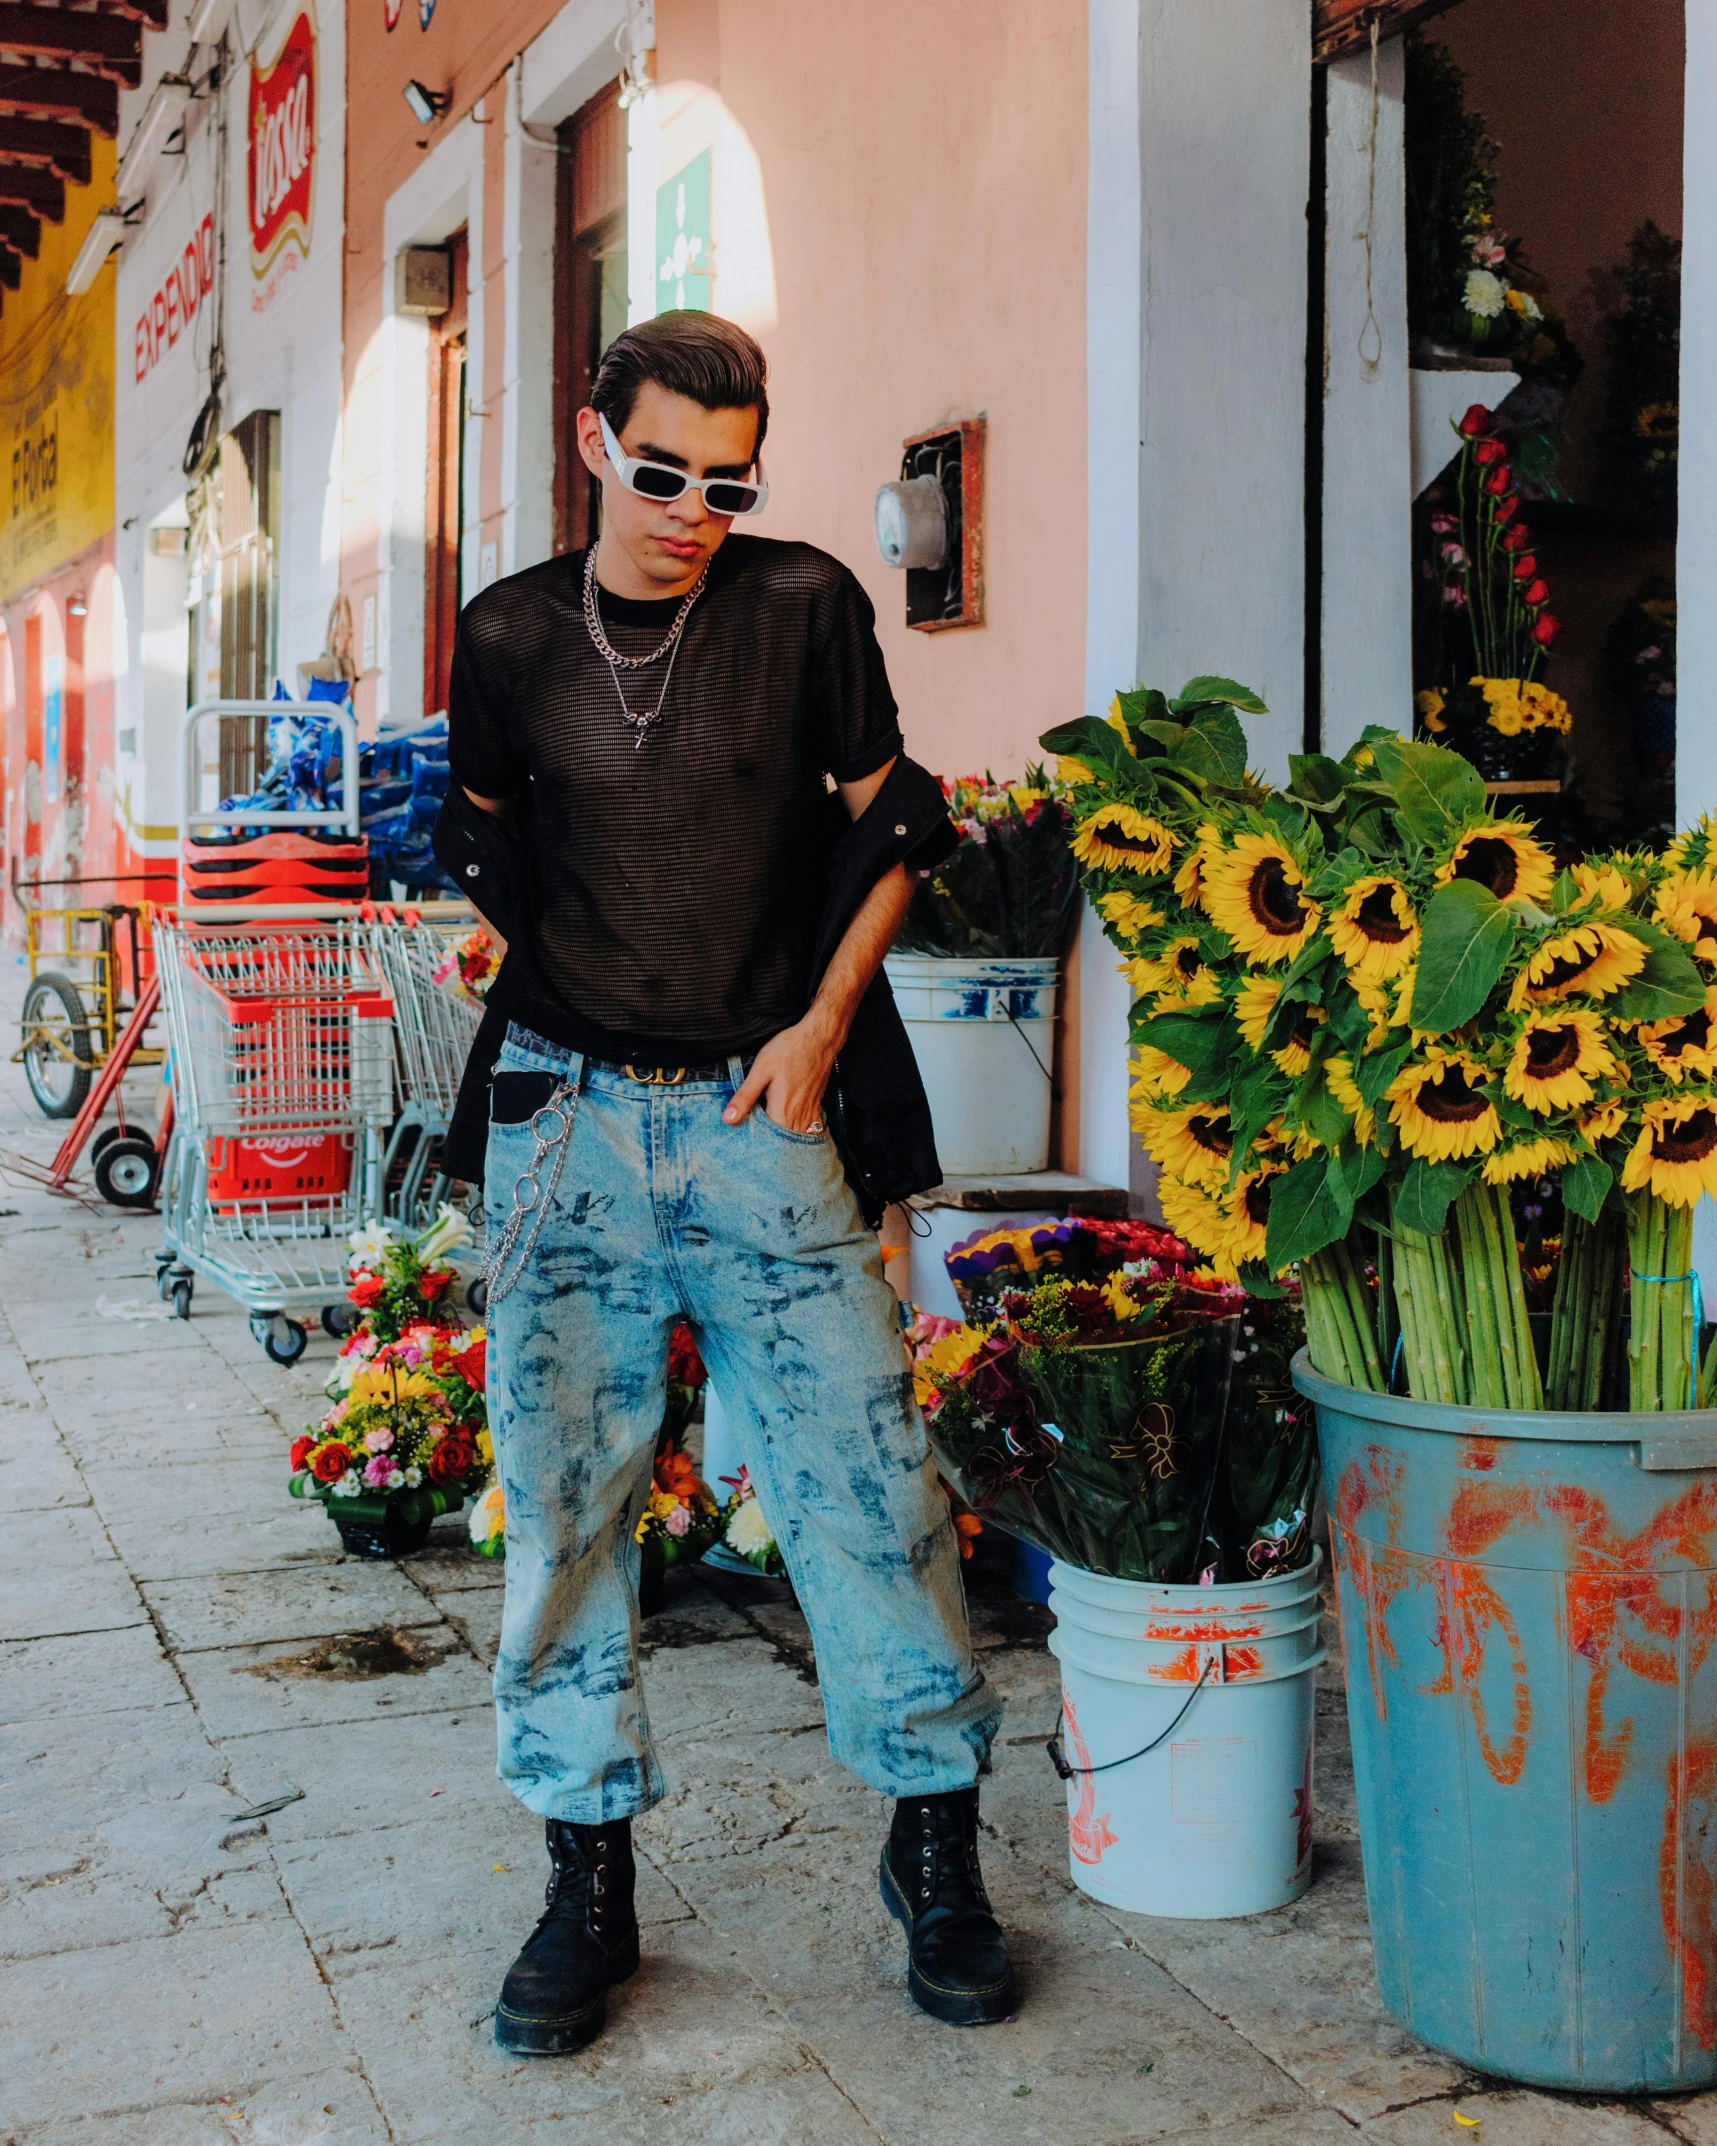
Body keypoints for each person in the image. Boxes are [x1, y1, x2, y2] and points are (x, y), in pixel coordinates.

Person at [444, 310, 1015, 2057]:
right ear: (595, 440)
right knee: (563, 1509)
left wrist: (825, 1032)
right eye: (667, 468)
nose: (698, 505)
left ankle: (935, 1850)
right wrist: (512, 951)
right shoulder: (511, 633)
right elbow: (478, 826)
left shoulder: (804, 607)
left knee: (868, 1485)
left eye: (732, 476)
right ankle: (585, 1876)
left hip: (769, 1114)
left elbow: (895, 819)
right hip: (570, 1124)